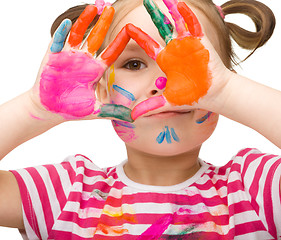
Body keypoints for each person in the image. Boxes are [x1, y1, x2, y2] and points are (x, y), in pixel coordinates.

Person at [0, 0, 280, 239]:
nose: (164, 82)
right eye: (133, 64)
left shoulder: (252, 188)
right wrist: (36, 107)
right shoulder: (66, 194)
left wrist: (225, 92)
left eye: (193, 64)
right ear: (100, 87)